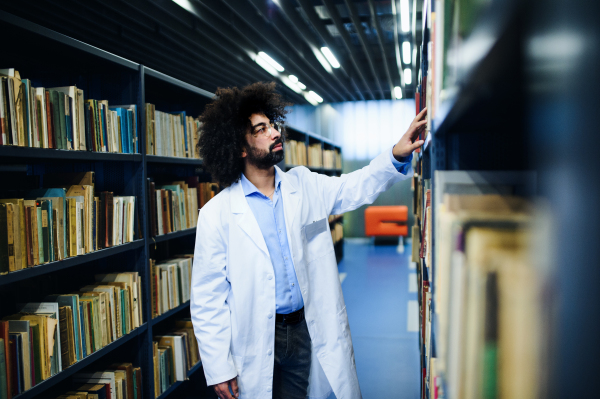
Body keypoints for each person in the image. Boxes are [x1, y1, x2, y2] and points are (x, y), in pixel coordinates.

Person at [191, 82, 426, 399]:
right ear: (240, 148)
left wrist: (396, 154)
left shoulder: (302, 184)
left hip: (302, 330)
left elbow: (351, 188)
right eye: (261, 130)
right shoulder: (217, 214)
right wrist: (219, 367)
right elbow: (207, 298)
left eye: (272, 125)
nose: (275, 133)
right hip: (256, 337)